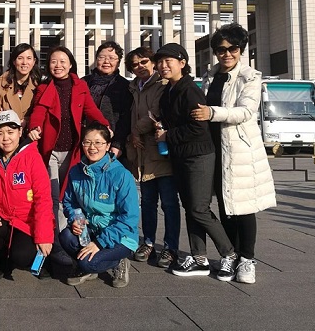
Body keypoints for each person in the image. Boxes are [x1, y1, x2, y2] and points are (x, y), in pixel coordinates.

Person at [191, 23, 276, 284]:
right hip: (214, 149)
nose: (227, 54)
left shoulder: (249, 77)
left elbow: (246, 111)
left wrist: (212, 113)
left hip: (239, 150)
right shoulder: (210, 76)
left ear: (241, 50)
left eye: (233, 48)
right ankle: (233, 255)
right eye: (221, 49)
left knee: (243, 207)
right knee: (225, 207)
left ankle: (248, 259)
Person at [153, 43, 237, 281]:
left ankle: (229, 254)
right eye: (160, 62)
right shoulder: (169, 90)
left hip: (198, 156)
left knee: (199, 208)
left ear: (182, 63)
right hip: (180, 155)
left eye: (168, 61)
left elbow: (198, 127)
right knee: (190, 207)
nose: (163, 65)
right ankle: (199, 258)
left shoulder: (190, 90)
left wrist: (168, 135)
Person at [28, 46, 110, 265]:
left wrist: (105, 126)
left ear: (71, 64)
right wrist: (34, 127)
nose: (58, 66)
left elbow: (90, 110)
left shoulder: (80, 86)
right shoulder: (44, 87)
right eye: (53, 61)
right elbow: (38, 112)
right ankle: (54, 242)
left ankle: (68, 238)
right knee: (52, 196)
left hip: (73, 150)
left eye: (63, 61)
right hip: (51, 152)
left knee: (69, 196)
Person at [0, 110, 54, 281]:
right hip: (3, 216)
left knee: (22, 256)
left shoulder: (32, 158)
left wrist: (43, 237)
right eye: (0, 133)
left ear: (20, 132)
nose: (6, 138)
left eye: (10, 132)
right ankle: (1, 262)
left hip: (27, 222)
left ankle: (38, 259)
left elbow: (43, 199)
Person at [60, 123, 139, 287]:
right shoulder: (76, 172)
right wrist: (75, 219)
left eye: (98, 142)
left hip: (120, 237)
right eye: (87, 142)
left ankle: (119, 260)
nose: (92, 147)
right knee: (66, 237)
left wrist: (99, 243)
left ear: (108, 146)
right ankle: (88, 263)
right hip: (92, 229)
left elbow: (129, 218)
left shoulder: (121, 175)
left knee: (88, 263)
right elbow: (69, 202)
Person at [126, 47, 180, 269]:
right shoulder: (134, 87)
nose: (140, 67)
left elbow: (154, 113)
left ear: (153, 62)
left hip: (160, 150)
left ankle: (171, 247)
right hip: (142, 153)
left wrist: (135, 131)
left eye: (144, 61)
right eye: (135, 64)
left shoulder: (162, 84)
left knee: (169, 202)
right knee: (147, 202)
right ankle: (148, 242)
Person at [83, 41, 132, 161]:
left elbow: (126, 118)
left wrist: (117, 144)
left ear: (118, 62)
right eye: (102, 57)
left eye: (111, 58)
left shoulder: (124, 86)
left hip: (111, 143)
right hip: (85, 142)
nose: (106, 62)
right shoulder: (83, 82)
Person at [0, 43, 42, 146]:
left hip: (29, 138)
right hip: (5, 140)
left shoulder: (39, 85)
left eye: (29, 58)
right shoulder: (0, 84)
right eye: (20, 58)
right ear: (14, 61)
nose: (24, 62)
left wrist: (27, 120)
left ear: (34, 61)